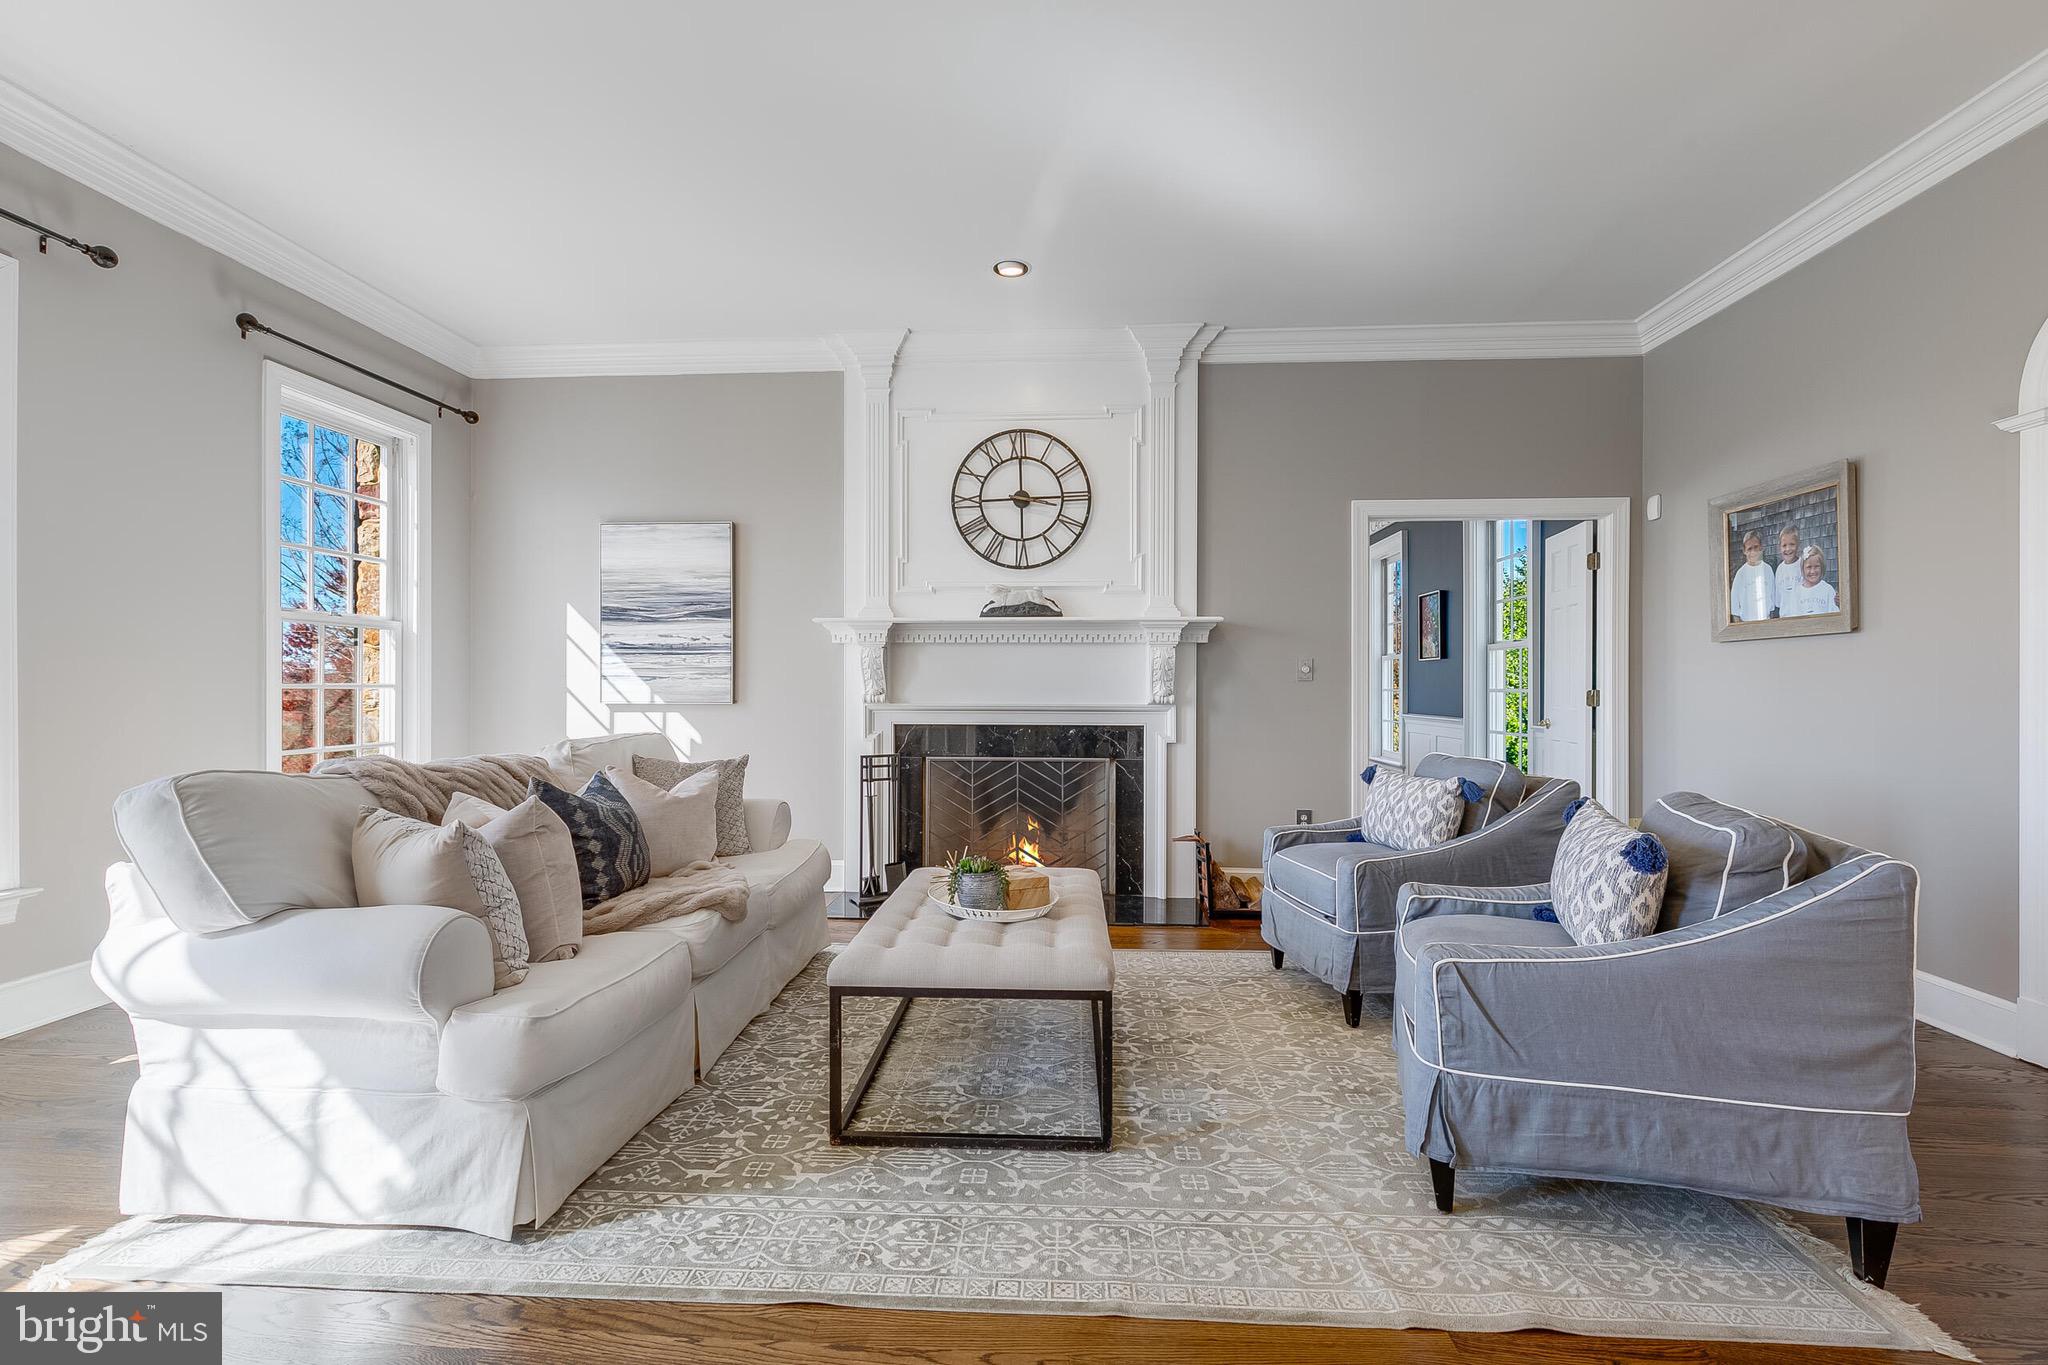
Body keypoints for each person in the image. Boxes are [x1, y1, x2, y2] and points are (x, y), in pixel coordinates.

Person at [1779, 545, 1839, 616]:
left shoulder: (1828, 590)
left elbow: (1834, 615)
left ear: (1822, 567)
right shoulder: (1796, 592)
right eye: (1809, 567)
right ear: (1803, 569)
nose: (1812, 571)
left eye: (1816, 566)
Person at [1729, 529, 1775, 622]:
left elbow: (1772, 600)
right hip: (1746, 624)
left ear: (1761, 547)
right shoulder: (1740, 574)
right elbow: (1735, 608)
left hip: (1765, 622)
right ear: (1744, 551)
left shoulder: (1767, 570)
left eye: (1756, 547)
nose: (1753, 552)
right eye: (1749, 549)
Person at [1772, 525, 1803, 616]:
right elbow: (1778, 601)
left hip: (1802, 616)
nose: (1788, 549)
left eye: (1792, 544)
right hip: (1785, 618)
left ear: (1798, 545)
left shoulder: (1803, 564)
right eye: (1784, 545)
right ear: (1780, 547)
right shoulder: (1780, 570)